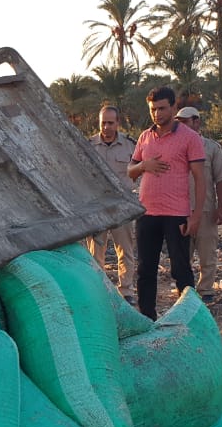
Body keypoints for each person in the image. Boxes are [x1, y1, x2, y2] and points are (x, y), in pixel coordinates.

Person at [128, 86, 205, 320]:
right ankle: (147, 318)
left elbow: (200, 179)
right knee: (145, 270)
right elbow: (130, 171)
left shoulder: (190, 138)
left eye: (162, 108)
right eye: (153, 109)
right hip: (147, 213)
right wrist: (144, 166)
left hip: (176, 214)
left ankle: (189, 319)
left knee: (181, 270)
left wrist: (196, 217)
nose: (157, 114)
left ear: (173, 107)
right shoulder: (144, 137)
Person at [85, 105, 138, 301]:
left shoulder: (130, 146)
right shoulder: (88, 145)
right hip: (97, 206)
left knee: (125, 250)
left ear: (118, 123)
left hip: (123, 206)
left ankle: (126, 291)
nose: (106, 127)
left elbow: (139, 171)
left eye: (110, 123)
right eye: (103, 123)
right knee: (95, 252)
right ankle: (100, 291)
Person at [175, 106, 222, 300]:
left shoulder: (211, 148)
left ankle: (206, 290)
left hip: (205, 209)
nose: (181, 125)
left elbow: (221, 179)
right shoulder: (174, 146)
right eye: (178, 122)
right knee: (181, 255)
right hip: (179, 210)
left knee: (207, 254)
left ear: (196, 122)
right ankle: (185, 291)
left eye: (185, 121)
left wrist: (221, 208)